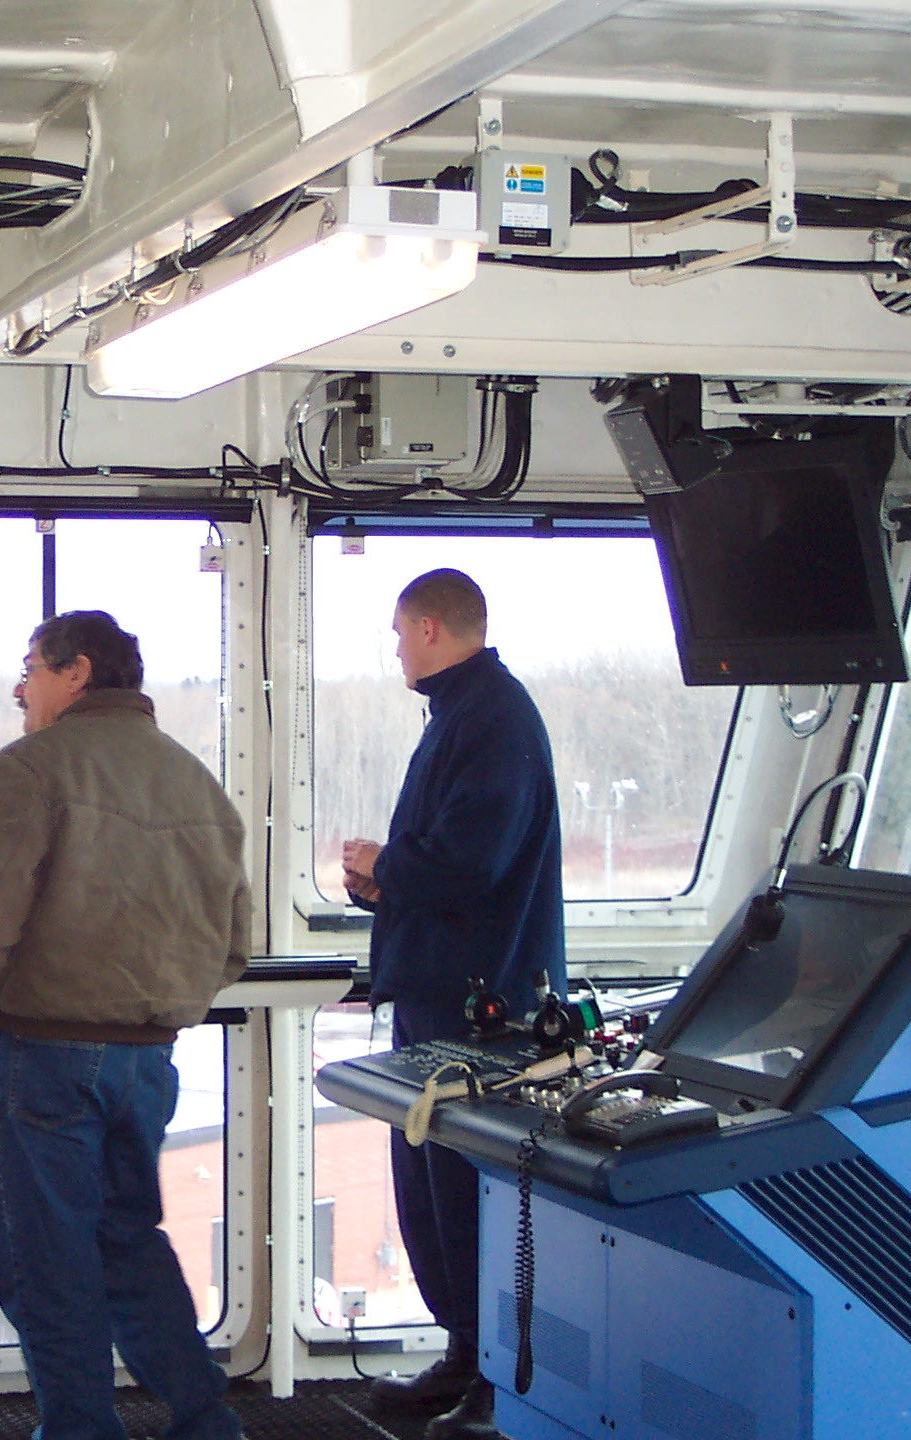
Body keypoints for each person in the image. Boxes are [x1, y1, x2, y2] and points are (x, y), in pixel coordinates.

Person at [0, 610, 250, 1440]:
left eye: (31, 668)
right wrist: (157, 1003)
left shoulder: (29, 770)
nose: (19, 688)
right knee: (125, 1242)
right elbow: (234, 944)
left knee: (44, 1266)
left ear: (76, 672)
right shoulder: (197, 783)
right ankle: (206, 1422)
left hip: (40, 1053)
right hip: (149, 1061)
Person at [341, 569, 565, 1440]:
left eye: (400, 632)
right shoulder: (460, 716)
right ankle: (466, 1352)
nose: (397, 649)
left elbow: (473, 860)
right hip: (439, 996)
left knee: (473, 1201)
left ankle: (500, 1383)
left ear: (431, 628)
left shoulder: (494, 720)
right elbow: (452, 857)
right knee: (432, 1194)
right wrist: (383, 883)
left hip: (481, 1011)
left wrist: (388, 864)